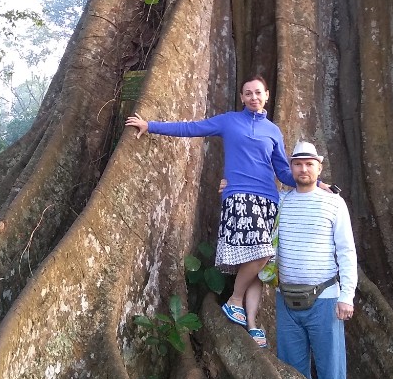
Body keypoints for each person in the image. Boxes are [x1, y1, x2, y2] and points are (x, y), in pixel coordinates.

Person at [126, 75, 295, 348]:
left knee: (258, 265)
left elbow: (284, 171)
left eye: (258, 93)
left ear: (266, 95)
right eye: (248, 93)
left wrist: (314, 182)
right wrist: (150, 125)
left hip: (268, 201)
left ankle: (252, 324)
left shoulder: (274, 131)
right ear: (242, 97)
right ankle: (235, 300)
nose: (253, 97)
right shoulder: (229, 121)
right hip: (239, 195)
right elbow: (192, 128)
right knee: (263, 252)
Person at [275, 140, 357, 379]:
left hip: (325, 299)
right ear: (290, 167)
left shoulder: (334, 203)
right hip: (285, 299)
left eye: (309, 164)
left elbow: (346, 251)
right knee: (293, 374)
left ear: (319, 168)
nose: (303, 169)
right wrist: (230, 188)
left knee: (330, 372)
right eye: (297, 164)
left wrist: (347, 296)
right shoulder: (280, 201)